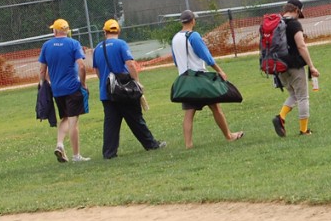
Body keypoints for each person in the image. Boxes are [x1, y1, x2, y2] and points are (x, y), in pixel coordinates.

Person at [91, 18, 166, 159]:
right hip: (124, 90)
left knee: (111, 123)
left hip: (107, 91)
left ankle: (109, 153)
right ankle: (151, 144)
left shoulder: (97, 48)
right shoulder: (121, 44)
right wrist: (136, 82)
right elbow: (130, 64)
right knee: (136, 119)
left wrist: (106, 84)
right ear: (118, 30)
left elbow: (97, 71)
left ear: (104, 32)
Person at [171, 10, 244, 149]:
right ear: (192, 20)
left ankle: (188, 144)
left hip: (185, 81)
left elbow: (176, 61)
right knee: (216, 107)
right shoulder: (193, 36)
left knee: (189, 113)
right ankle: (229, 136)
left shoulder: (175, 39)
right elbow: (206, 56)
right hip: (200, 79)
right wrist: (219, 70)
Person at [38, 18, 89, 163]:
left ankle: (60, 144)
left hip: (57, 89)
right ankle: (76, 155)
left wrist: (43, 86)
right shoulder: (73, 44)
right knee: (73, 121)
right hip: (73, 88)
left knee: (65, 118)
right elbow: (81, 66)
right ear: (67, 30)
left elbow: (42, 70)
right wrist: (83, 83)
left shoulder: (47, 45)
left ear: (55, 30)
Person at [271, 0, 320, 137]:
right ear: (297, 10)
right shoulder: (294, 24)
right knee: (303, 97)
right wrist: (311, 66)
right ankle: (304, 130)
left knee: (294, 95)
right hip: (294, 65)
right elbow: (301, 46)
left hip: (278, 66)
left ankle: (280, 117)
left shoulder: (276, 23)